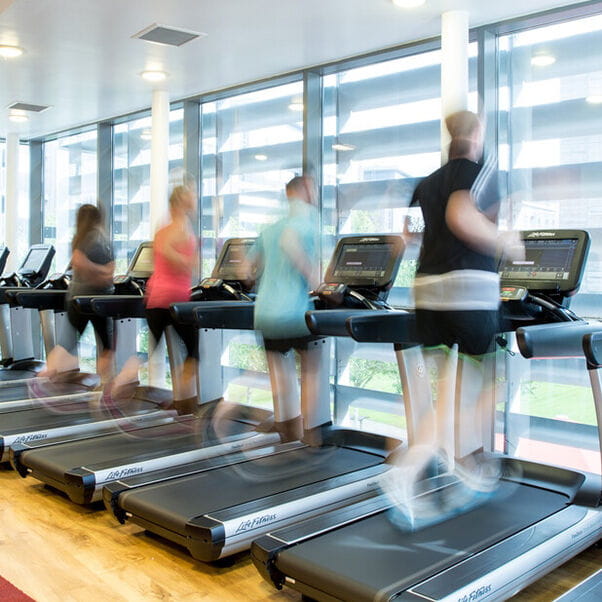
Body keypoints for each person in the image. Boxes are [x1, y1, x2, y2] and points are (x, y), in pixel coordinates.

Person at [385, 110, 524, 530]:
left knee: (445, 387)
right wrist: (506, 242)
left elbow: (403, 239)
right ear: (476, 134)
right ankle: (461, 462)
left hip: (427, 292)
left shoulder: (426, 182)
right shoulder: (480, 174)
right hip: (470, 292)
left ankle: (417, 465)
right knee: (489, 381)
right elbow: (460, 217)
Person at [105, 185, 200, 417]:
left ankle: (123, 379)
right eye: (192, 197)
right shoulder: (182, 229)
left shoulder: (162, 229)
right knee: (194, 352)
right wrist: (188, 261)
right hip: (176, 299)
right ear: (181, 203)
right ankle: (187, 404)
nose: (195, 200)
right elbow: (185, 263)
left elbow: (162, 254)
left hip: (155, 297)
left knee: (152, 347)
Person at [251, 175, 320, 441]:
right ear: (302, 190)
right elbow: (291, 244)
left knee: (281, 373)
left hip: (265, 311)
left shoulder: (271, 227)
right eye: (312, 187)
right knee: (312, 368)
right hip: (292, 312)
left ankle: (286, 428)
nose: (315, 192)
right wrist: (317, 281)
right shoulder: (305, 217)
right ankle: (309, 434)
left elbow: (247, 270)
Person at [41, 204, 115, 385]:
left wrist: (96, 271)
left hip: (77, 297)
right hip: (97, 300)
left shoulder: (79, 238)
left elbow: (78, 263)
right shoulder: (97, 238)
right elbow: (106, 270)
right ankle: (106, 385)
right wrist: (102, 271)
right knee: (107, 345)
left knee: (67, 341)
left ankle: (45, 375)